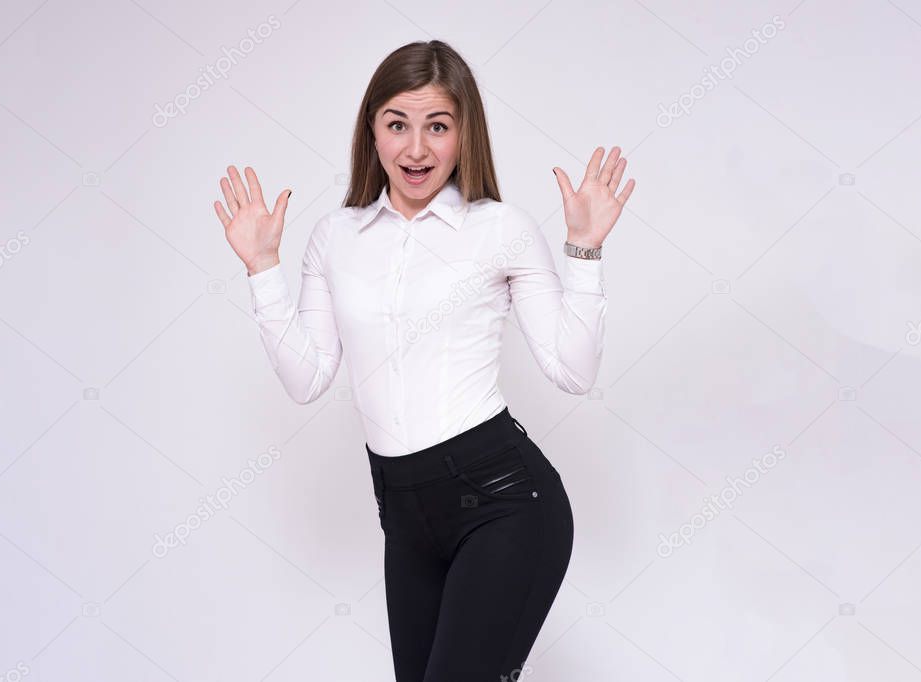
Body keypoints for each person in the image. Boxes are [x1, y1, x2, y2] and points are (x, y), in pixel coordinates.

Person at [214, 39, 634, 682]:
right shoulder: (336, 237)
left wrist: (583, 250)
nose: (416, 150)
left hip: (505, 501)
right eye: (397, 124)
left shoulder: (500, 229)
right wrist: (263, 270)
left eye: (437, 126)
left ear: (464, 134)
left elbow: (573, 372)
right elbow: (306, 379)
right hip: (405, 518)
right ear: (372, 132)